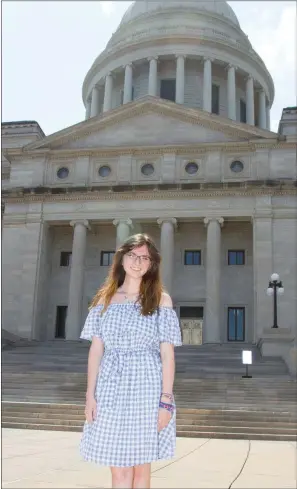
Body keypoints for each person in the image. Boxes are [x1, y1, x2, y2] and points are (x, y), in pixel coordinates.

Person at [79, 233, 182, 488]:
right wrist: (90, 396)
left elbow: (168, 354)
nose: (137, 262)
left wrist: (166, 401)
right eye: (132, 255)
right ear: (121, 259)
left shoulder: (161, 301)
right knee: (119, 471)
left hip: (146, 387)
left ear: (151, 264)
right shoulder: (103, 301)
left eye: (144, 258)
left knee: (141, 470)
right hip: (110, 389)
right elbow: (96, 351)